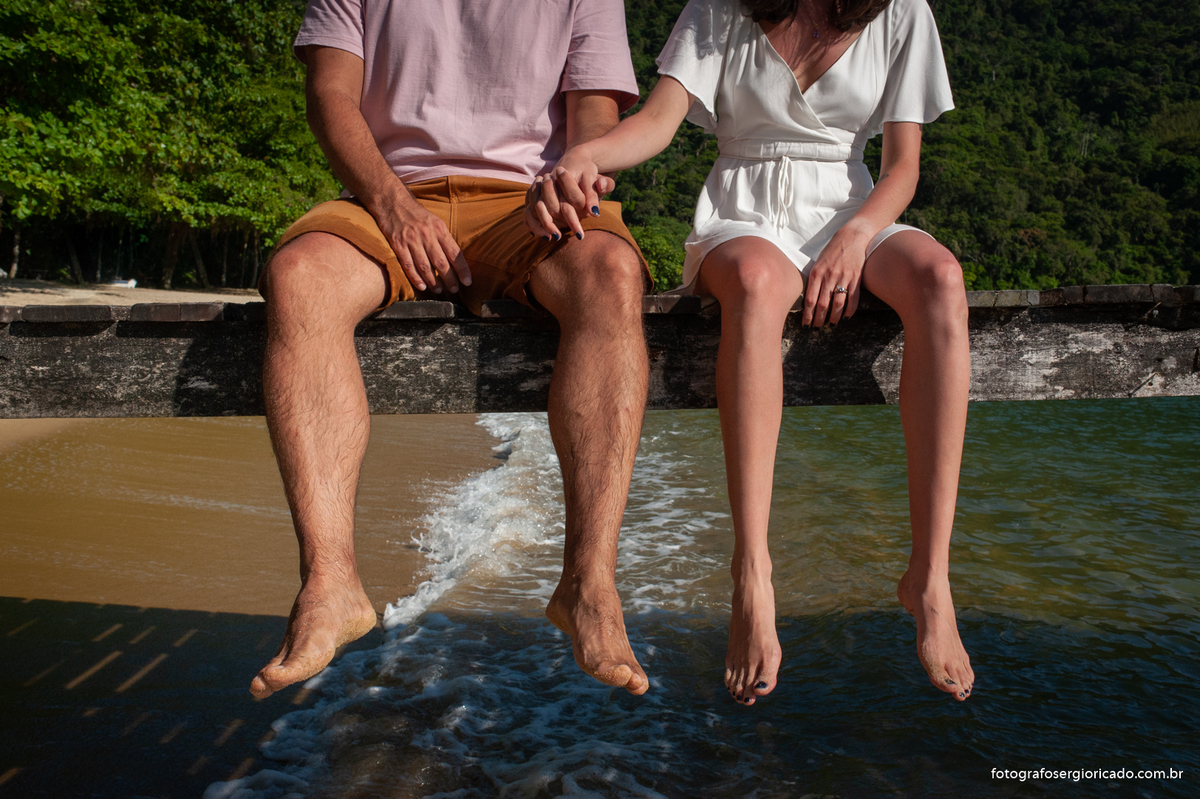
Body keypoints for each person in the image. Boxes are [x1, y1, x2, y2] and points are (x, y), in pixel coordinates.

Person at [530, 0, 975, 705]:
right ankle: (753, 575)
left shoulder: (901, 12)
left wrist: (856, 237)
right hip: (743, 211)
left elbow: (903, 168)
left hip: (853, 209)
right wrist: (583, 154)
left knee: (941, 280)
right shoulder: (719, 7)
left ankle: (930, 578)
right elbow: (656, 123)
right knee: (759, 281)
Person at [249, 0, 656, 700]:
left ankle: (590, 586)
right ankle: (329, 583)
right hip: (387, 197)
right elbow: (329, 92)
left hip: (532, 201)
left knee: (612, 275)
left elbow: (595, 115)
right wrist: (390, 201)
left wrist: (574, 175)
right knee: (299, 276)